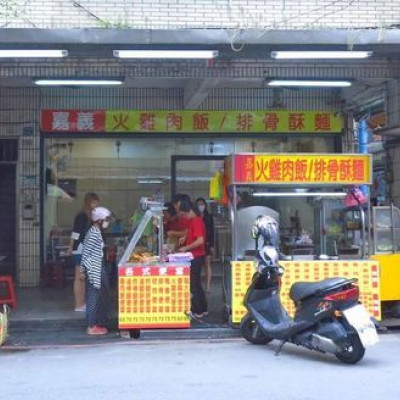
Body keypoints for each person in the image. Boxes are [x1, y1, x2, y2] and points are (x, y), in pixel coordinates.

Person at [80, 206, 113, 335]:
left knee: (99, 296)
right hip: (94, 270)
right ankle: (91, 326)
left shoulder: (96, 231)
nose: (107, 222)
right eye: (106, 220)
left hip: (98, 267)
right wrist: (82, 270)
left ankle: (97, 323)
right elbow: (86, 252)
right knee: (94, 297)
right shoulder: (93, 232)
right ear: (99, 220)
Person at [67, 192, 99, 312]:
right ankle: (79, 305)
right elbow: (75, 233)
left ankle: (82, 303)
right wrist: (71, 246)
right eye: (95, 202)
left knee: (82, 277)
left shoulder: (91, 217)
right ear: (89, 202)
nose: (96, 205)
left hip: (85, 249)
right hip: (80, 249)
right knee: (79, 277)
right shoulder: (82, 216)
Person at [178, 200, 208, 318]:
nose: (184, 217)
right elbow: (194, 235)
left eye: (184, 214)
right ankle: (203, 309)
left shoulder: (196, 221)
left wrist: (186, 248)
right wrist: (185, 237)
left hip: (196, 256)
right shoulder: (194, 221)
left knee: (193, 284)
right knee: (197, 283)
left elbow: (200, 240)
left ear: (189, 211)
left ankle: (198, 310)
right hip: (196, 256)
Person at [195, 197, 215, 293]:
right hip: (196, 244)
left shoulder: (209, 216)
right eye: (199, 204)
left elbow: (212, 231)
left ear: (205, 205)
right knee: (197, 265)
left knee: (207, 264)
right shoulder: (195, 216)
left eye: (202, 204)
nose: (200, 206)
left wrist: (212, 245)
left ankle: (207, 286)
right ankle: (197, 285)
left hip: (206, 243)